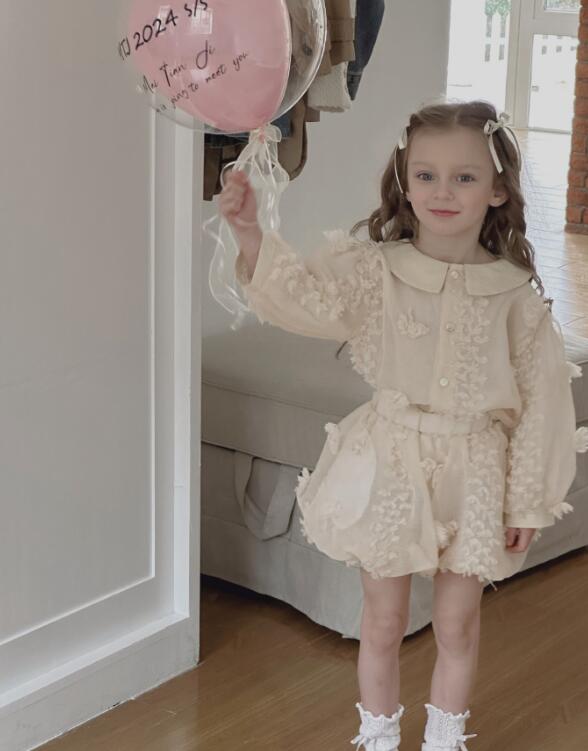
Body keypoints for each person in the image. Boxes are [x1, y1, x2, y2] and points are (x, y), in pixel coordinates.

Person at [217, 99, 585, 751]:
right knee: (383, 621)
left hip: (474, 472)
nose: (443, 191)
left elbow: (544, 405)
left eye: (465, 177)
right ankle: (379, 737)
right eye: (427, 175)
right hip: (390, 462)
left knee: (457, 624)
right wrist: (249, 233)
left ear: (497, 189)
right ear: (405, 182)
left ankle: (444, 741)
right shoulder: (376, 270)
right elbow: (305, 297)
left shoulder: (514, 296)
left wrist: (528, 499)